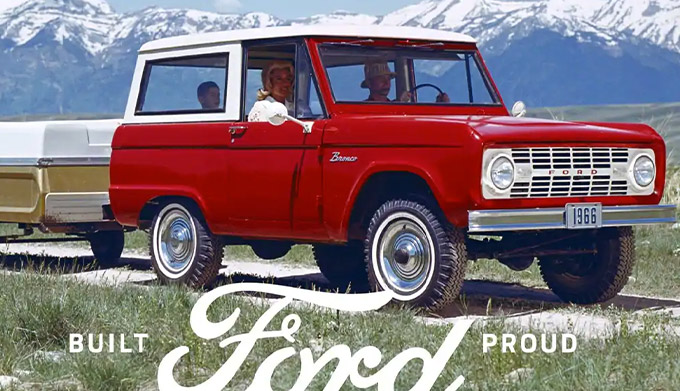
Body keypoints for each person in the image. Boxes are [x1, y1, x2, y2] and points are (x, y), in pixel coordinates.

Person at [361, 61, 449, 103]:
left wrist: (440, 105)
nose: (387, 83)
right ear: (369, 83)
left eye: (388, 79)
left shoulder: (394, 104)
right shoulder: (363, 108)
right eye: (381, 79)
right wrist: (400, 103)